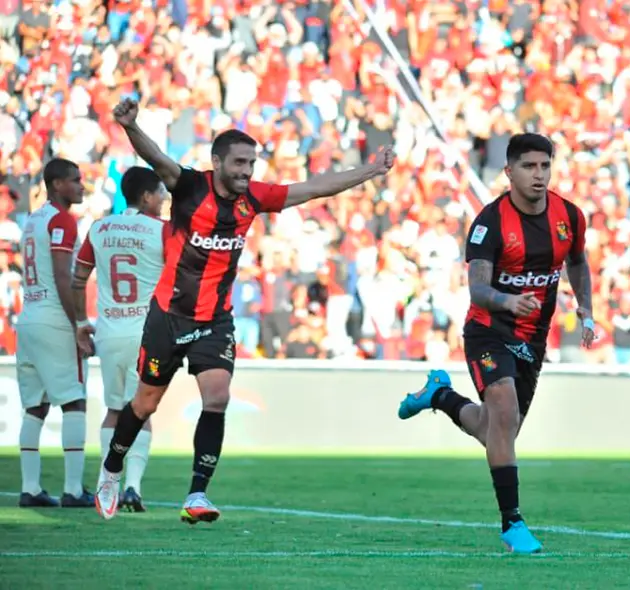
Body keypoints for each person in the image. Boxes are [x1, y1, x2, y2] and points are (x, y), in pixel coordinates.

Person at [94, 99, 396, 522]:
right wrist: (130, 126)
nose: (246, 171)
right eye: (238, 162)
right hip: (169, 314)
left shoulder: (254, 198)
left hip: (215, 318)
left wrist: (371, 170)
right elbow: (157, 158)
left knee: (217, 397)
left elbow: (314, 188)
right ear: (216, 161)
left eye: (251, 163)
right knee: (145, 403)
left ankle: (197, 495)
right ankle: (111, 469)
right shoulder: (188, 186)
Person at [396, 133, 596, 553]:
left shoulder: (569, 217)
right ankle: (512, 523)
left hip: (533, 340)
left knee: (497, 431)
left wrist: (586, 310)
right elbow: (478, 290)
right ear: (509, 172)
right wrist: (508, 300)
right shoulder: (489, 223)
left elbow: (577, 262)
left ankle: (440, 395)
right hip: (489, 331)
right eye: (529, 166)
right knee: (503, 412)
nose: (538, 174)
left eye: (545, 166)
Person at [72, 167, 170, 513]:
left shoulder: (99, 228)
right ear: (146, 197)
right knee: (143, 407)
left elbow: (78, 277)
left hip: (110, 330)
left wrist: (82, 323)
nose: (164, 198)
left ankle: (106, 485)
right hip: (147, 331)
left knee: (114, 409)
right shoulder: (163, 230)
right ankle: (132, 487)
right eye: (161, 192)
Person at [16, 158, 94, 508]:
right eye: (75, 180)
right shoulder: (63, 220)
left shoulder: (33, 220)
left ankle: (30, 488)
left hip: (29, 317)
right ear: (57, 184)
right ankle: (73, 489)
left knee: (35, 406)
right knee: (74, 399)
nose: (81, 186)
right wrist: (78, 323)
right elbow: (64, 276)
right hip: (53, 319)